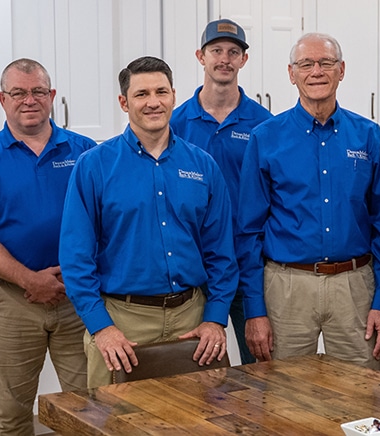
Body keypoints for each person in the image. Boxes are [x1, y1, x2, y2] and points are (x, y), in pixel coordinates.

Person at [59, 56, 239, 389]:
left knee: (197, 421)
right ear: (124, 102)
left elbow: (221, 253)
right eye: (142, 94)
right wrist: (102, 328)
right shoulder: (93, 166)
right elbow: (75, 258)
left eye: (161, 92)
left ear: (173, 95)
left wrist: (215, 319)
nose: (153, 102)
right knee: (116, 422)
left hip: (192, 318)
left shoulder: (203, 166)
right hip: (123, 323)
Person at [236, 33, 380, 370]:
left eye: (325, 63)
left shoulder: (368, 136)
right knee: (283, 396)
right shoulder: (265, 138)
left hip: (355, 284)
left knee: (363, 393)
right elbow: (248, 231)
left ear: (341, 70)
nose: (316, 71)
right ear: (291, 73)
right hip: (286, 286)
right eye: (305, 64)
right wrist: (254, 310)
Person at [0, 58, 96, 435]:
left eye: (37, 91)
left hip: (77, 297)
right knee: (10, 412)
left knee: (91, 407)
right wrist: (29, 279)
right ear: (2, 99)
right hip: (12, 301)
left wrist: (75, 271)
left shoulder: (86, 151)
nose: (28, 100)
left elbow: (106, 220)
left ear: (52, 97)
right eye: (18, 92)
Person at [170, 18, 273, 365]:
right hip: (195, 272)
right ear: (201, 56)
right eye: (216, 50)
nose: (224, 59)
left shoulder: (264, 124)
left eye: (233, 52)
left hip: (250, 268)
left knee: (262, 370)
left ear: (244, 60)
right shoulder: (176, 122)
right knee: (197, 376)